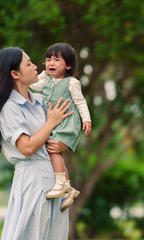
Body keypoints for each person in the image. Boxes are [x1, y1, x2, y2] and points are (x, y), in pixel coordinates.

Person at [0, 46, 72, 239]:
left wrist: (62, 145)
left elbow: (54, 137)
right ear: (15, 74)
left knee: (55, 234)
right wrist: (51, 122)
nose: (36, 66)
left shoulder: (40, 100)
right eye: (29, 64)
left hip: (56, 179)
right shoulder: (10, 108)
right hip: (33, 180)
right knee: (32, 234)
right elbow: (27, 147)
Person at [30, 43, 91, 210]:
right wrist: (42, 74)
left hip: (67, 122)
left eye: (57, 60)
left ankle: (61, 183)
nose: (51, 63)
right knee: (54, 152)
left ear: (68, 65)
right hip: (54, 123)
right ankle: (68, 188)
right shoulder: (46, 82)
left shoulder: (71, 83)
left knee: (53, 150)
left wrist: (86, 119)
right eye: (48, 60)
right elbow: (32, 85)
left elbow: (80, 102)